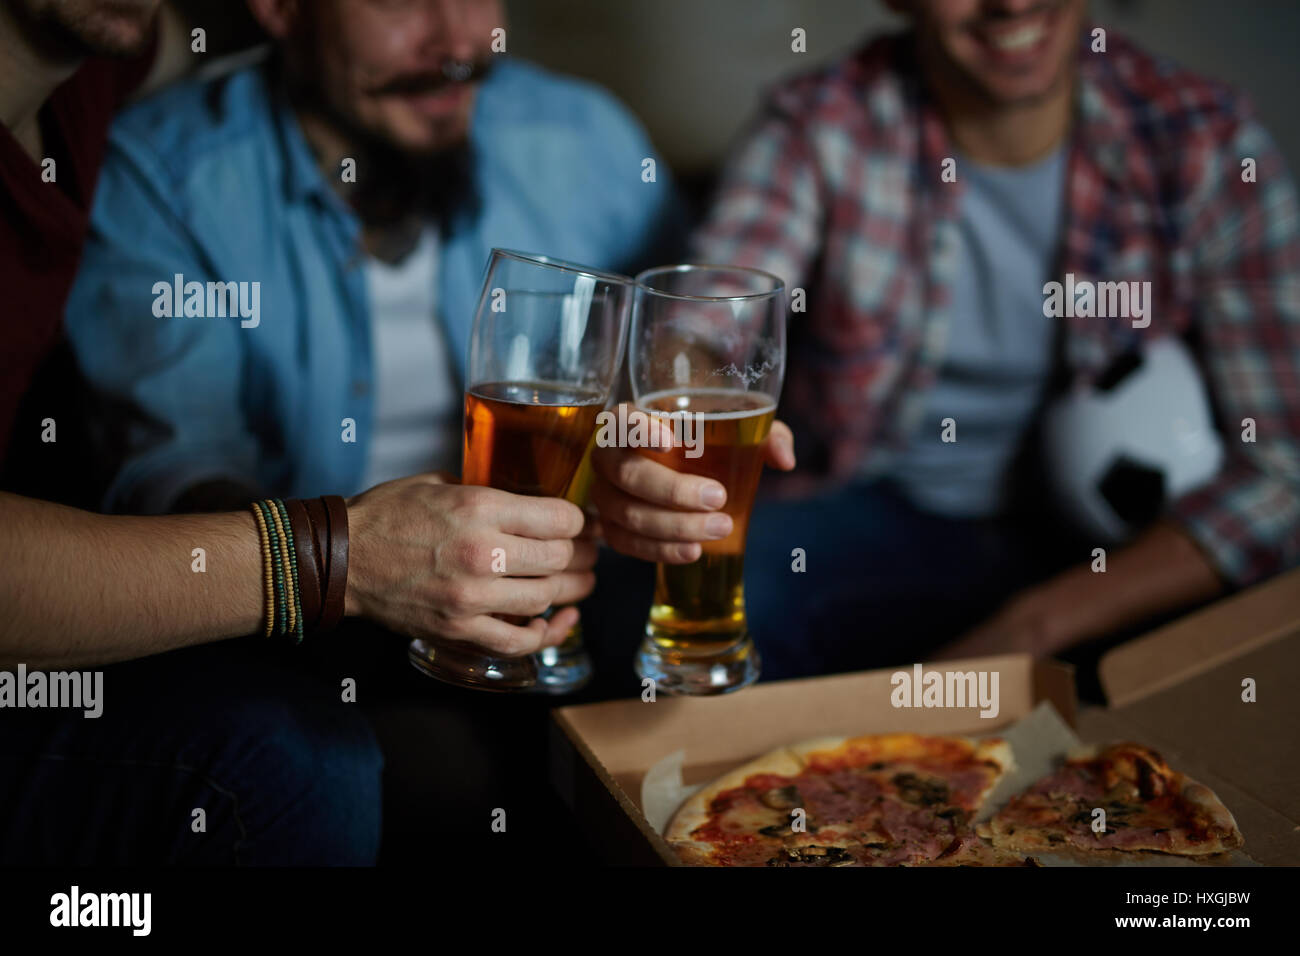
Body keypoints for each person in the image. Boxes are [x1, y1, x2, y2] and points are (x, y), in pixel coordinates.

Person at [0, 0, 603, 864]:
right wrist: (355, 565)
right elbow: (171, 473)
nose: (457, 41)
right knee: (332, 762)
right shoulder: (165, 163)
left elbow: (684, 345)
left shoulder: (580, 135)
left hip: (543, 609)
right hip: (308, 644)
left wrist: (654, 455)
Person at [687, 0, 1300, 680]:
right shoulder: (821, 123)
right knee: (696, 591)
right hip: (875, 513)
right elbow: (699, 326)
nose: (1010, 2)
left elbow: (1284, 470)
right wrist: (677, 412)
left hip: (1106, 552)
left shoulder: (1206, 140)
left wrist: (1025, 631)